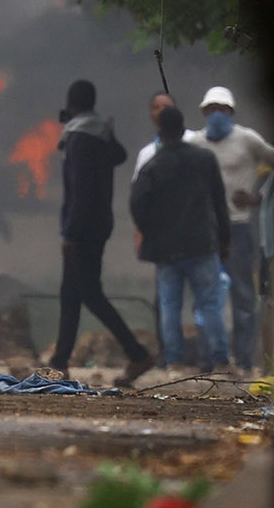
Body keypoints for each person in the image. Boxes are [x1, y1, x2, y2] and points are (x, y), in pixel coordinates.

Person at [48, 79, 154, 387]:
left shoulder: (81, 138)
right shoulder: (98, 134)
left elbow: (80, 190)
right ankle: (59, 363)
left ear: (72, 103)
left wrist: (70, 233)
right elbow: (119, 155)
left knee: (89, 294)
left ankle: (137, 353)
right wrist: (106, 131)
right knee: (71, 293)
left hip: (83, 228)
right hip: (98, 225)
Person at [130, 106, 233, 372]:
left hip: (166, 249)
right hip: (202, 244)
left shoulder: (153, 165)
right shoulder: (205, 159)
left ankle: (174, 360)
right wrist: (224, 240)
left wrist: (149, 230)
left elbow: (137, 204)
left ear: (160, 132)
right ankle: (218, 359)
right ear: (182, 127)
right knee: (210, 303)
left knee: (170, 305)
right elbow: (219, 202)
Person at [192, 86, 274, 373]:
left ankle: (243, 360)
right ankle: (210, 358)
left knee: (243, 296)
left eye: (223, 109)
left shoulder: (248, 139)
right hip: (206, 229)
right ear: (204, 112)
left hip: (240, 227)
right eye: (211, 109)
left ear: (231, 112)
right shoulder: (195, 143)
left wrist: (258, 197)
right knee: (207, 296)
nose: (217, 114)